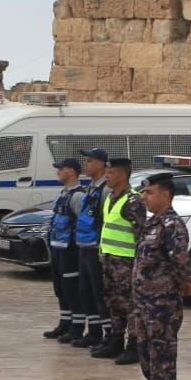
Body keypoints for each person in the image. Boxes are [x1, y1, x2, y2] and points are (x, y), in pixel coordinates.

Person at [124, 172, 191, 380]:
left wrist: (178, 290)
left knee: (164, 367)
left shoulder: (173, 226)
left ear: (166, 194)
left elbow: (179, 264)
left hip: (161, 308)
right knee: (149, 365)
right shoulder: (152, 223)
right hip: (143, 307)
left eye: (150, 192)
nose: (145, 197)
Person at [92, 157, 146, 363]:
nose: (107, 176)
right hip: (109, 259)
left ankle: (134, 345)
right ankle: (115, 340)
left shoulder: (133, 200)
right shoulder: (110, 197)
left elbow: (141, 234)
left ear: (122, 175)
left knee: (130, 305)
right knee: (113, 302)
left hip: (126, 262)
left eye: (111, 172)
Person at [43, 159, 86, 343]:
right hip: (57, 247)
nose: (58, 172)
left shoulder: (78, 196)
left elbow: (82, 224)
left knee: (71, 289)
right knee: (60, 288)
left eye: (61, 169)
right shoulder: (63, 194)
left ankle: (76, 328)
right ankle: (65, 323)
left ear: (71, 171)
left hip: (70, 250)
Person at [72, 148, 109, 349]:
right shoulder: (91, 187)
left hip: (96, 247)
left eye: (90, 161)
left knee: (99, 292)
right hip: (84, 245)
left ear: (101, 164)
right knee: (85, 291)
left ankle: (108, 334)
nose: (86, 165)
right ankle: (94, 331)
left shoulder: (106, 188)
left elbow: (105, 219)